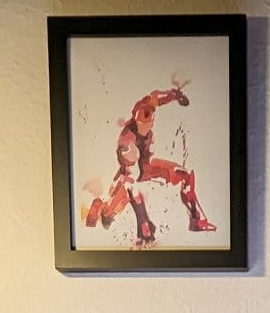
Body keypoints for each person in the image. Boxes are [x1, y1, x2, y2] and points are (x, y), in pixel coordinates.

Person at [83, 78, 217, 245]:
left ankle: (197, 221)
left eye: (150, 118)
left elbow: (155, 97)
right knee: (116, 205)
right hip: (130, 177)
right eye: (143, 120)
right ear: (135, 118)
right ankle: (103, 210)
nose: (148, 123)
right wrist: (144, 223)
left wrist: (174, 96)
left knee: (185, 175)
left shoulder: (147, 108)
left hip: (146, 168)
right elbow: (131, 178)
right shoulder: (127, 142)